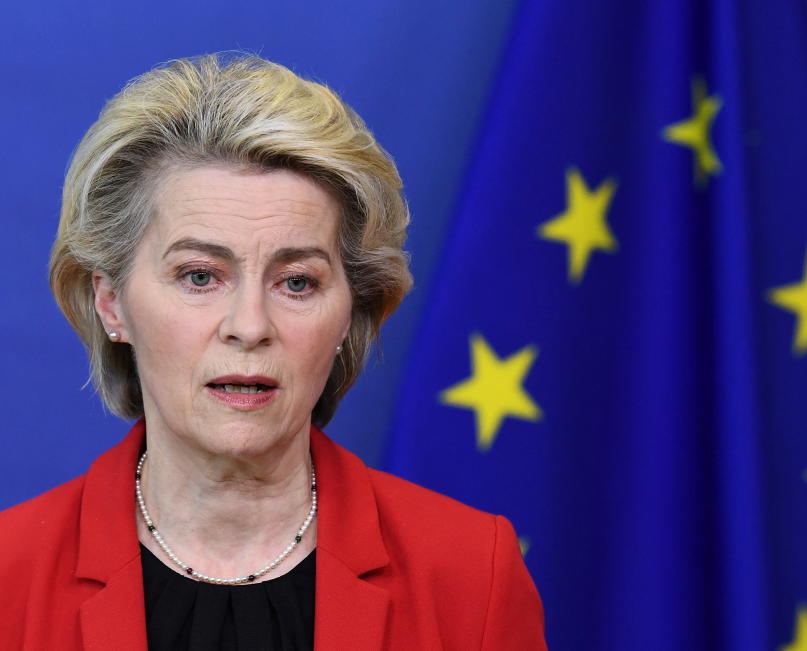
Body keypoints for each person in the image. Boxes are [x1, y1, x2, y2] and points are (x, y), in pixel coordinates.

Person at [0, 53, 546, 650]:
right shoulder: (10, 574)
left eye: (297, 283)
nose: (250, 326)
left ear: (352, 313)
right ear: (112, 304)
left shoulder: (472, 571)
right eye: (200, 276)